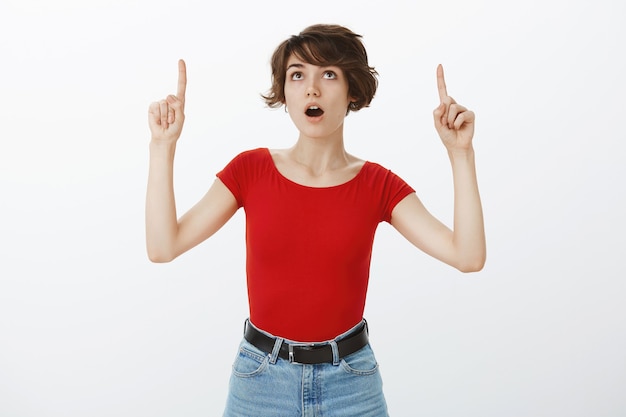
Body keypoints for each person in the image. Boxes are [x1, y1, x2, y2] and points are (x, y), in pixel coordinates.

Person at [146, 24, 485, 417]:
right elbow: (163, 247)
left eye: (328, 74)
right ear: (285, 95)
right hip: (260, 383)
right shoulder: (249, 171)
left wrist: (461, 154)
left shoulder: (378, 185)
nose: (311, 88)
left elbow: (468, 256)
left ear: (352, 91)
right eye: (297, 75)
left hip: (351, 385)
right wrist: (162, 146)